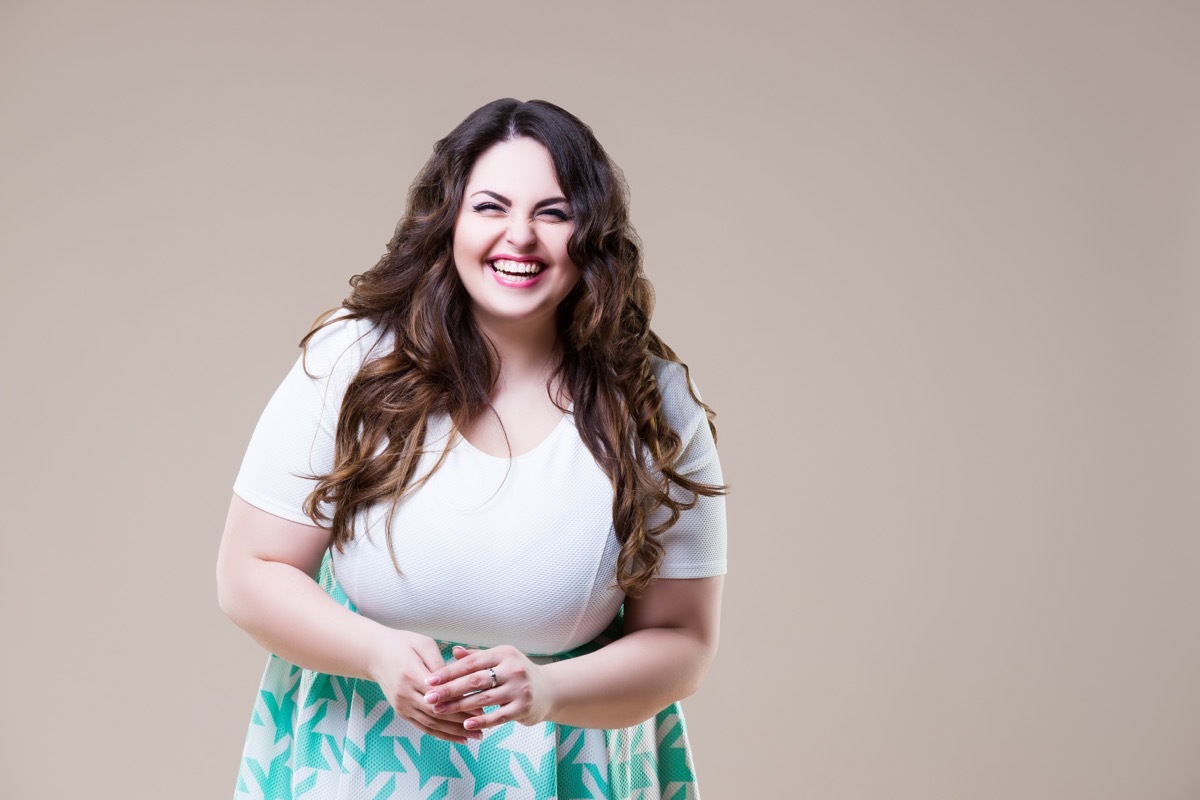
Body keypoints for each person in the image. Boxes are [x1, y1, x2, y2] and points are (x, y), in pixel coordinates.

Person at [216, 98, 728, 800]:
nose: (520, 237)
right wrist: (376, 653)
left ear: (593, 234)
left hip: (570, 769)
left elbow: (683, 645)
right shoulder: (352, 358)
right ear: (448, 219)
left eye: (554, 212)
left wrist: (547, 689)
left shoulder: (653, 401)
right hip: (359, 761)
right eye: (491, 206)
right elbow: (249, 569)